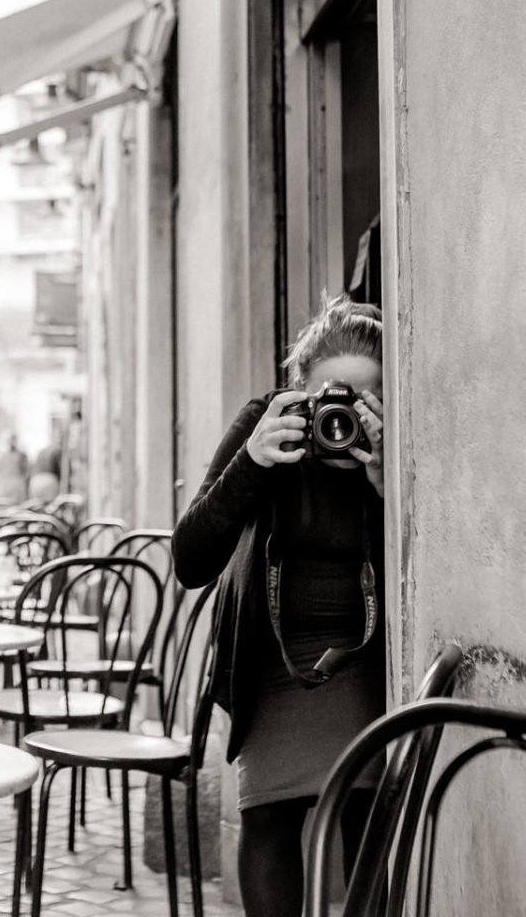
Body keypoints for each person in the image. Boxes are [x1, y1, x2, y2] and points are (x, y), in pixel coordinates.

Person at [171, 296, 387, 917]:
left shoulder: (398, 445)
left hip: (369, 656)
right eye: (329, 400)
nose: (340, 420)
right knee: (266, 814)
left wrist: (389, 484)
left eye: (362, 403)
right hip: (271, 657)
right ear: (298, 393)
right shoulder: (265, 425)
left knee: (368, 812)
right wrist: (253, 462)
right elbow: (189, 561)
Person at [0, 436, 29, 500]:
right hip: (11, 484)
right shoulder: (19, 455)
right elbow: (25, 470)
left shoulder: (3, 456)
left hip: (11, 484)